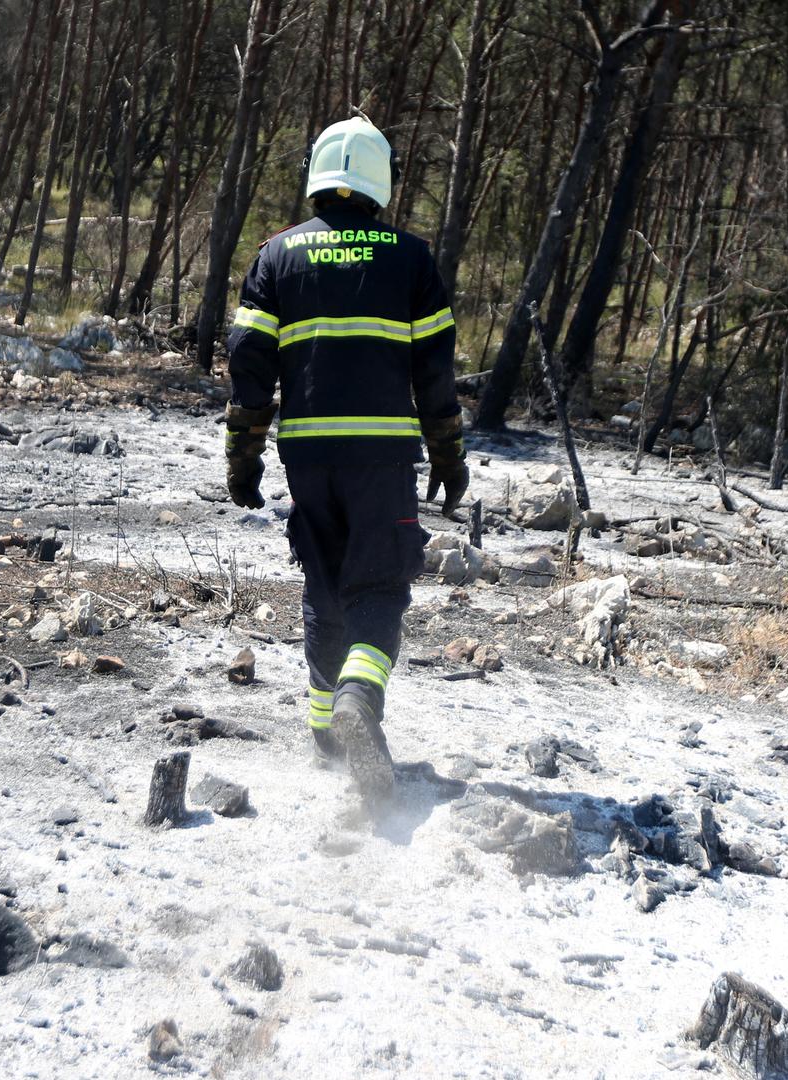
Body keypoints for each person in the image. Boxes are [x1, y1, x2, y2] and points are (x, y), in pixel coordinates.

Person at [222, 117, 468, 811]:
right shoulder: (411, 259)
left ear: (319, 176)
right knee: (381, 584)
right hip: (382, 455)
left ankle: (327, 733)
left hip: (307, 456)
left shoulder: (277, 256)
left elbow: (247, 361)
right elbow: (436, 371)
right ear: (379, 182)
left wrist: (243, 458)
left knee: (324, 579)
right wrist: (448, 454)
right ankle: (359, 700)